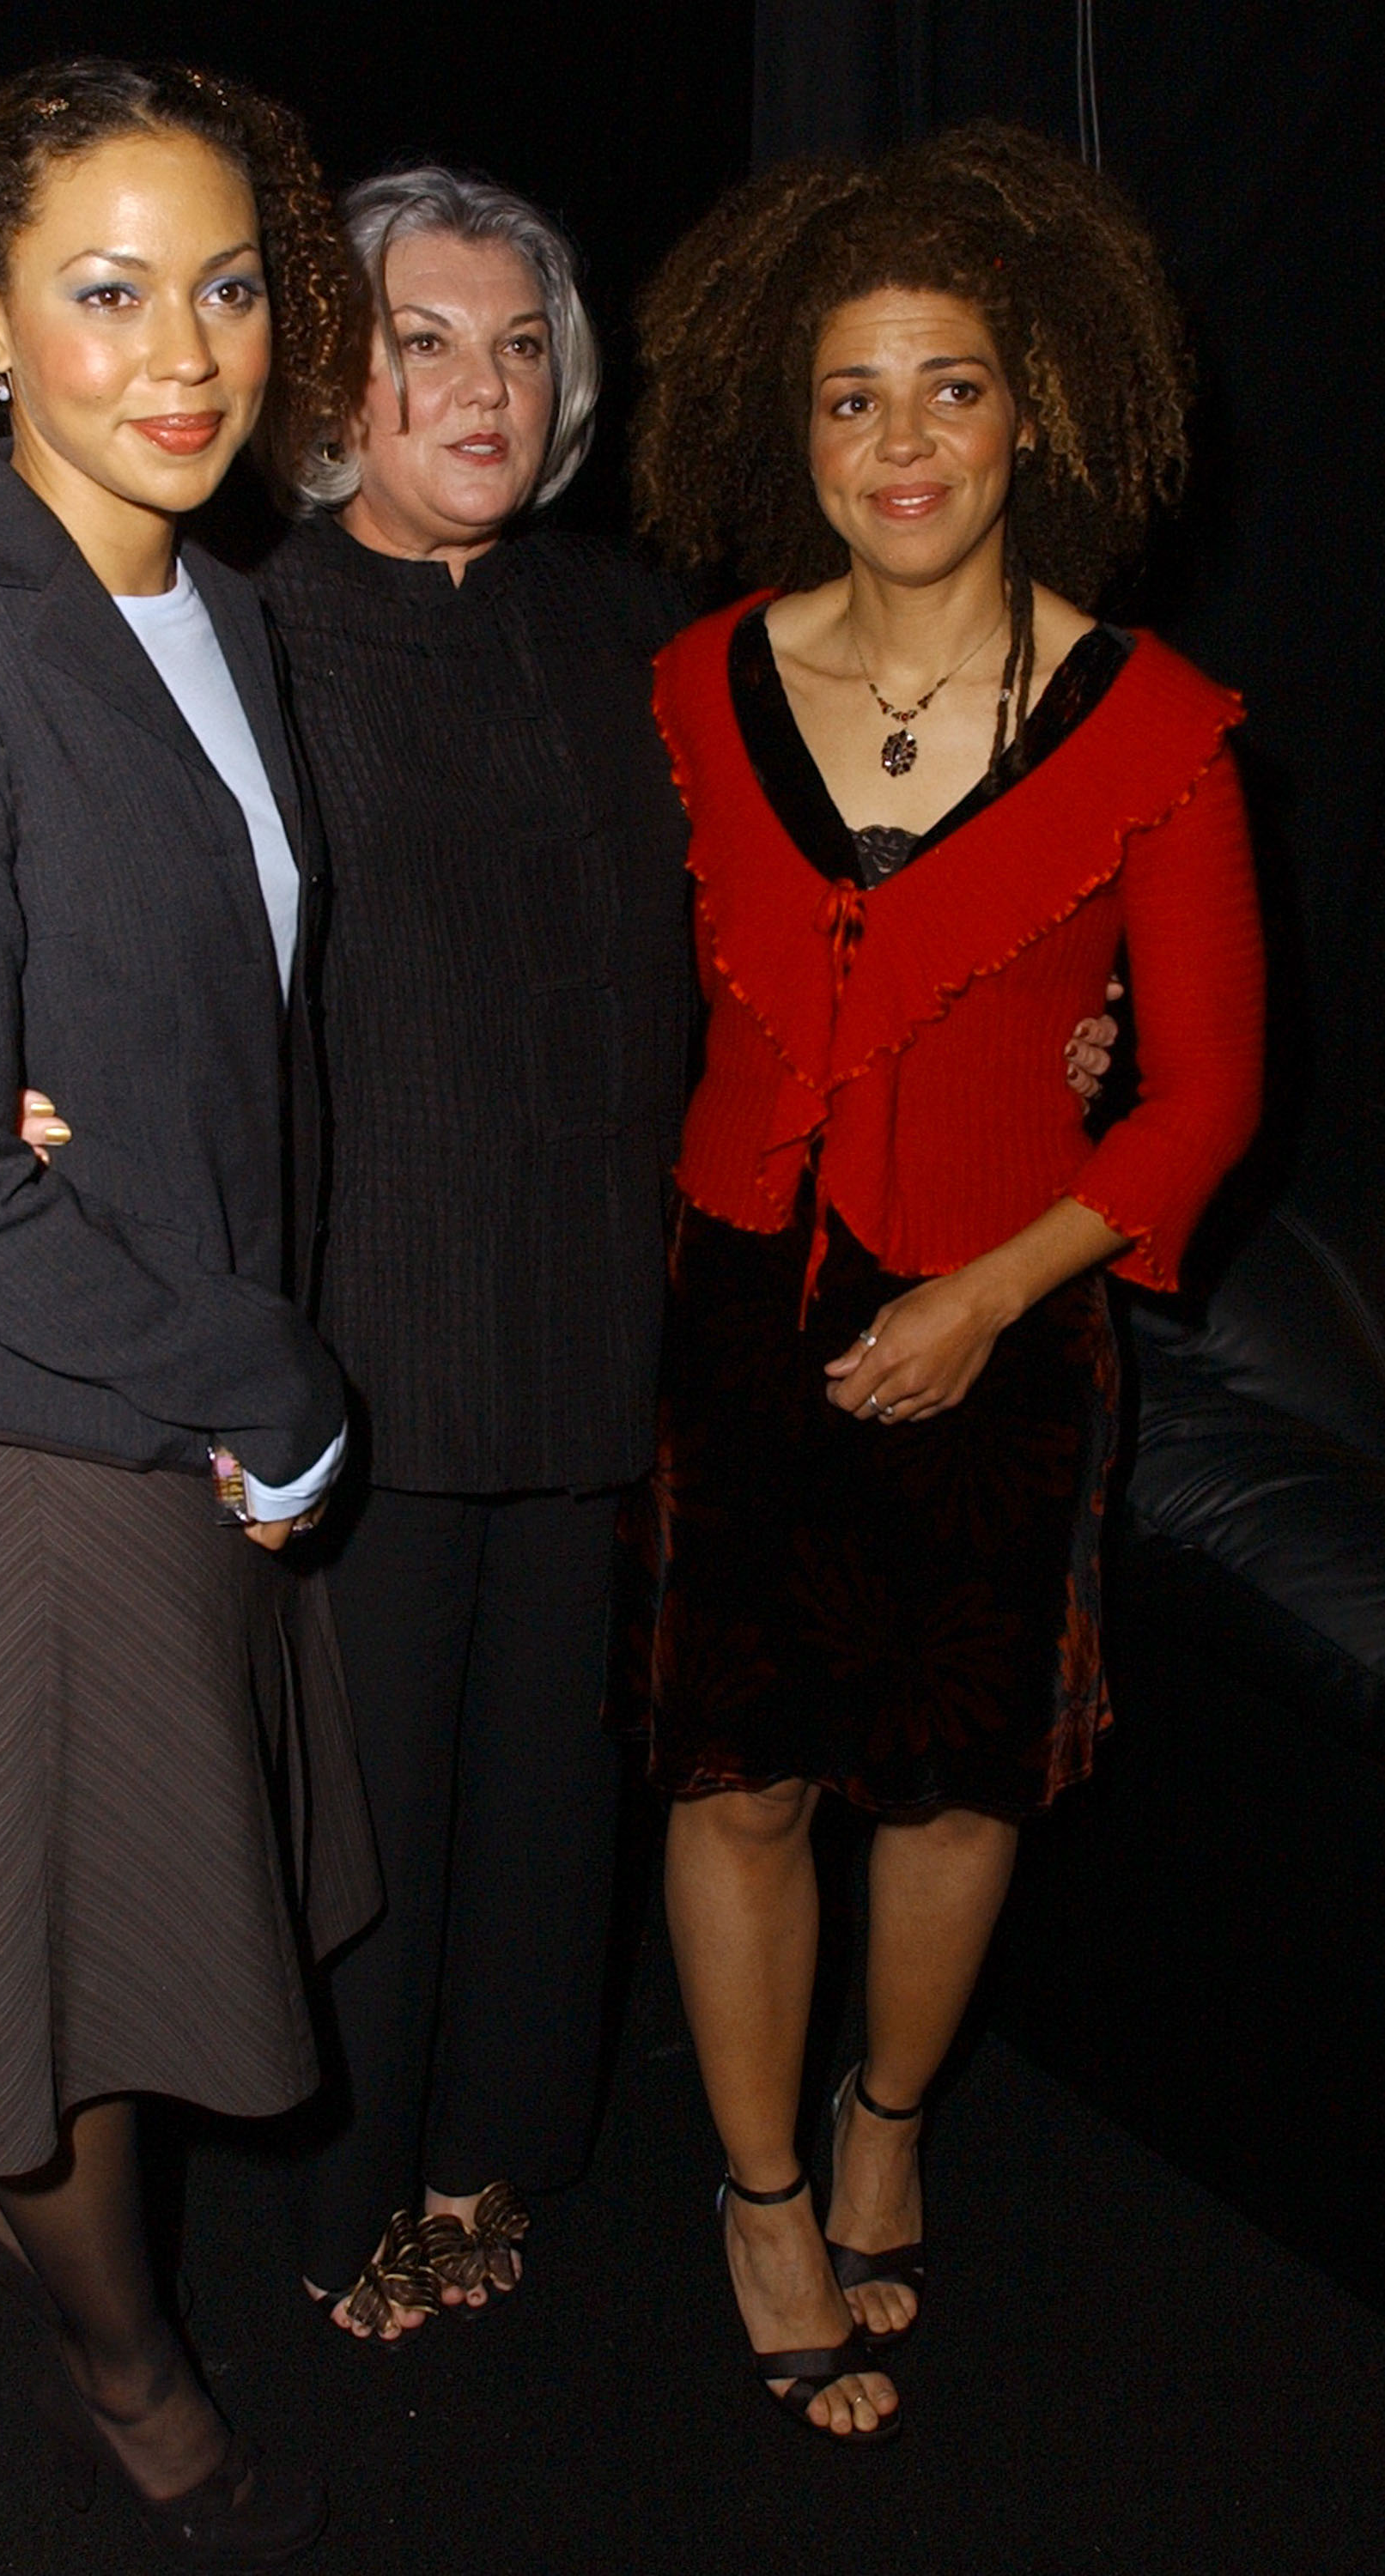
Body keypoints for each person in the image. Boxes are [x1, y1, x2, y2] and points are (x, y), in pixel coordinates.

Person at [0, 59, 377, 2566]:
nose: (187, 349)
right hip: (38, 1446)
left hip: (171, 1390)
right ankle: (116, 2364)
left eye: (229, 282)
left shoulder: (216, 607)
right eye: (110, 290)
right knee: (92, 1979)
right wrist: (267, 1378)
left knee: (106, 1955)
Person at [625, 125, 1264, 2440]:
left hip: (1006, 1320)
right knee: (739, 1782)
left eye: (952, 389)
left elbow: (1196, 1103)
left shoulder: (1163, 734)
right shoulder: (686, 688)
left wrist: (989, 1294)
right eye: (851, 399)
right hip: (729, 1317)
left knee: (960, 1784)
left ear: (1039, 410)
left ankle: (890, 2117)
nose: (902, 444)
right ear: (785, 433)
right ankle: (762, 2184)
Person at [254, 167, 695, 2336]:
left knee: (546, 1794)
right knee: (374, 1803)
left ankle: (491, 2165)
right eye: (425, 337)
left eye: (521, 343)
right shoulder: (252, 632)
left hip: (596, 1306)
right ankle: (344, 2199)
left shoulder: (619, 621)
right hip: (368, 1333)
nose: (483, 384)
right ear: (338, 373)